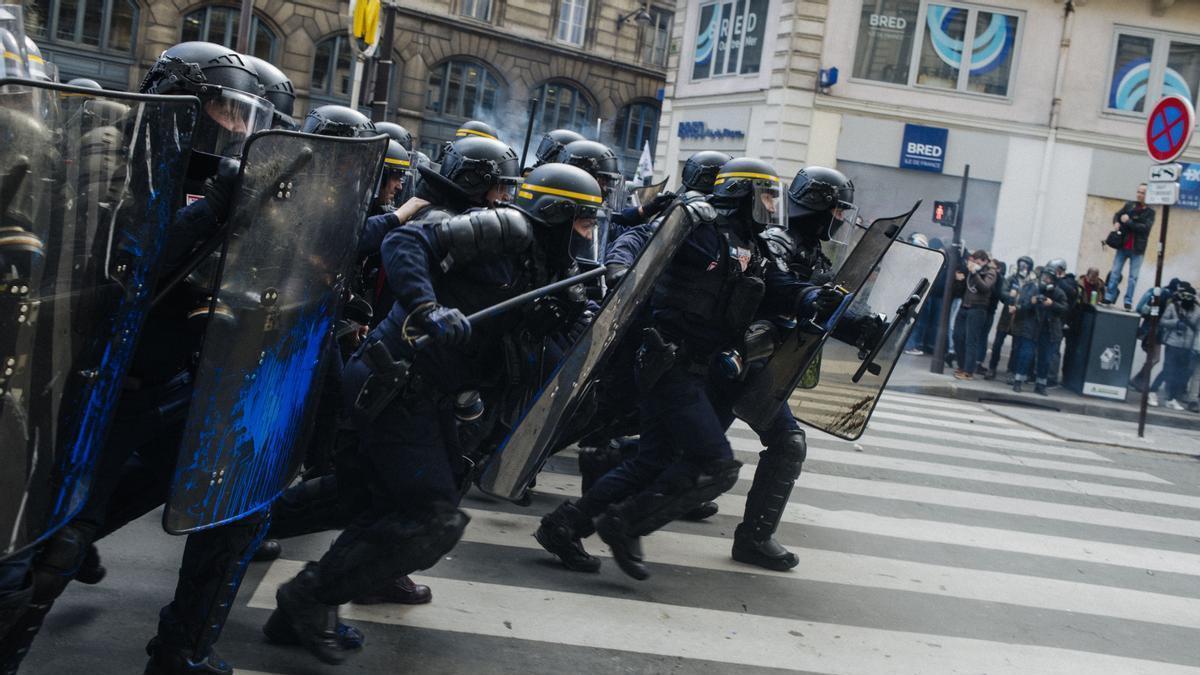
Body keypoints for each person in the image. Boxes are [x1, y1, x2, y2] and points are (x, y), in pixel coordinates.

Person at [0, 41, 275, 675]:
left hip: (167, 376)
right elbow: (122, 266)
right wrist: (214, 211)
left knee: (235, 509)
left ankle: (181, 650)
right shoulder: (118, 155)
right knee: (49, 547)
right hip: (95, 380)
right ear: (184, 103)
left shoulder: (206, 176)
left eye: (246, 116)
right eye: (228, 110)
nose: (238, 127)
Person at [261, 155, 600, 665]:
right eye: (585, 221)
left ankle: (254, 548)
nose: (590, 233)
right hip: (398, 380)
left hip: (433, 394)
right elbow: (404, 242)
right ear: (556, 213)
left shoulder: (551, 267)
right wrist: (427, 307)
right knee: (429, 519)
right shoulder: (506, 229)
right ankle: (307, 595)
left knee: (361, 496)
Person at [535, 158, 842, 581]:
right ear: (743, 194)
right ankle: (625, 523)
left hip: (700, 366)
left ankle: (565, 526)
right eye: (767, 196)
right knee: (714, 464)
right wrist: (623, 266)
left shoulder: (752, 244)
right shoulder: (701, 227)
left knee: (654, 460)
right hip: (669, 361)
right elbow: (642, 240)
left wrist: (812, 298)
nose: (774, 206)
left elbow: (777, 286)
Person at [1012, 264, 1068, 395]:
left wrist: (1052, 304)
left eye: (1049, 278)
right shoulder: (1033, 288)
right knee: (1026, 355)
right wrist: (1031, 302)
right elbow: (1021, 306)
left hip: (1049, 330)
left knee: (1045, 359)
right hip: (1032, 328)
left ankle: (1041, 385)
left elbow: (1065, 308)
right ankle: (1018, 381)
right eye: (1045, 277)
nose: (1046, 280)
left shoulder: (1058, 293)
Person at [1103, 184, 1155, 310]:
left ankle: (1128, 301)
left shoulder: (1150, 212)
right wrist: (1116, 222)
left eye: (1142, 192)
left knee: (1133, 277)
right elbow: (1117, 215)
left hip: (1137, 249)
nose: (1139, 194)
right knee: (1115, 272)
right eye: (1138, 192)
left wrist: (1129, 221)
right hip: (1123, 245)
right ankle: (1109, 296)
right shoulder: (1129, 205)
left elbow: (1145, 228)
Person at [985, 256, 1033, 380]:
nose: (1022, 267)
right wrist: (1011, 297)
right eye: (1021, 264)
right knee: (997, 344)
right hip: (1006, 317)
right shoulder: (1012, 279)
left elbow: (1030, 300)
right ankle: (992, 367)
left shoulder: (1030, 283)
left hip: (1019, 318)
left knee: (1016, 347)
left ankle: (1011, 371)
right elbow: (1002, 292)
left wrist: (1019, 302)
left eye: (1025, 265)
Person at [953, 249, 997, 380]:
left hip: (978, 308)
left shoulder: (990, 272)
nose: (975, 265)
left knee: (971, 341)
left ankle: (968, 371)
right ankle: (962, 365)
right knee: (958, 336)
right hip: (965, 306)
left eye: (978, 262)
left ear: (984, 261)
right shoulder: (971, 272)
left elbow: (985, 287)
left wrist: (975, 273)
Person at [1158, 282, 1199, 411]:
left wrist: (1194, 347)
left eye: (1190, 296)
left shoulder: (1197, 310)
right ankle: (1153, 391)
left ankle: (1172, 398)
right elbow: (1162, 321)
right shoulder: (1174, 306)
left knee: (1181, 374)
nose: (1187, 299)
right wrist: (1176, 323)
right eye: (1185, 295)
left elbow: (1197, 330)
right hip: (1173, 343)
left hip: (1187, 347)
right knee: (1168, 370)